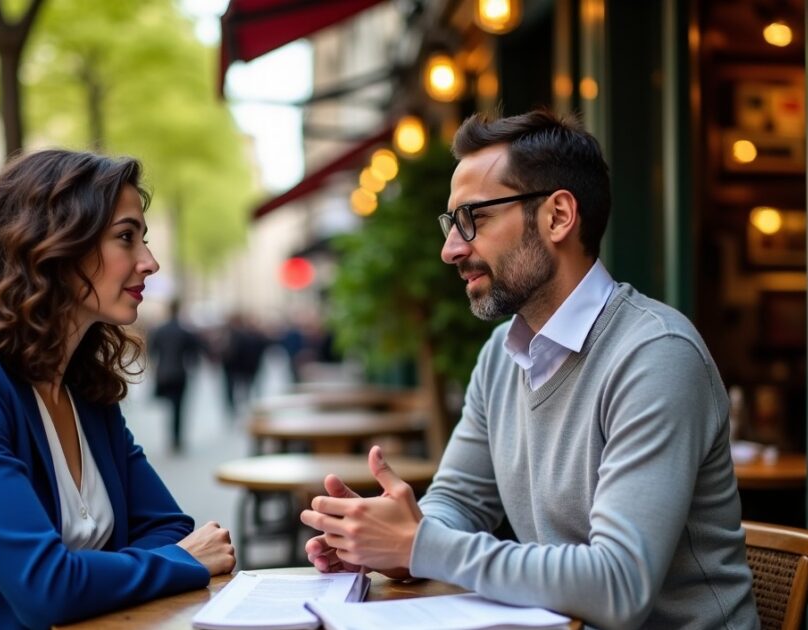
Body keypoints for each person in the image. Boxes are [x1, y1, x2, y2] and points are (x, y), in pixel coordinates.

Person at [300, 110, 759, 629]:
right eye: (451, 223)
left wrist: (423, 544)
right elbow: (459, 501)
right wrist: (387, 541)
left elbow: (619, 586)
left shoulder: (656, 355)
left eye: (474, 217)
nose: (450, 249)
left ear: (558, 216)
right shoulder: (502, 355)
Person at [0, 150, 234, 629]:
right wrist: (181, 562)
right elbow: (46, 588)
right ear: (55, 246)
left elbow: (167, 526)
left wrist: (95, 576)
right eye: (125, 238)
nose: (150, 262)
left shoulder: (82, 386)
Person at [147, 300, 203, 453]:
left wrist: (154, 371)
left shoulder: (159, 330)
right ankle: (176, 438)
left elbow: (152, 352)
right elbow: (194, 354)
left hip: (164, 373)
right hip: (180, 373)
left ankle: (172, 437)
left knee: (170, 406)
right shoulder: (184, 331)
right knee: (179, 407)